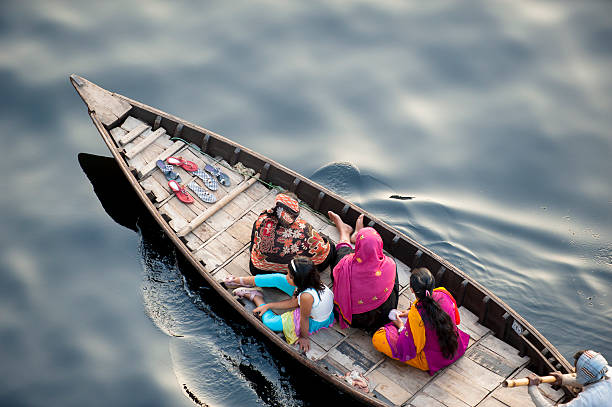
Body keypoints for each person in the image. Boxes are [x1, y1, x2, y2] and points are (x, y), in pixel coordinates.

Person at [371, 267, 469, 375]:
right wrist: (412, 313)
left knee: (378, 338)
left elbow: (412, 347)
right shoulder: (443, 293)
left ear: (412, 290)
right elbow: (456, 320)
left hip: (433, 359)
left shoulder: (416, 315)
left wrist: (401, 327)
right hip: (456, 346)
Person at [224, 257, 334, 352]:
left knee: (270, 323)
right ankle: (240, 281)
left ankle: (257, 298)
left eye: (290, 276)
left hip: (313, 319)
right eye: (288, 273)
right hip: (309, 304)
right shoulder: (309, 280)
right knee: (278, 278)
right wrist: (269, 305)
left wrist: (304, 337)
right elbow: (294, 302)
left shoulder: (306, 296)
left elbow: (304, 318)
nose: (287, 277)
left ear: (299, 281)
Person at [327, 211, 399, 332]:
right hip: (380, 319)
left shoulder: (346, 264)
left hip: (351, 318)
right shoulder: (389, 265)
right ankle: (356, 236)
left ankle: (345, 234)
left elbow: (334, 276)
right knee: (388, 263)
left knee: (342, 257)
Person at [249, 192, 333, 275]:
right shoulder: (305, 229)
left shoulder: (263, 219)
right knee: (330, 245)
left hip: (259, 270)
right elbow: (322, 250)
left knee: (256, 228)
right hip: (292, 274)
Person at [527, 350, 611, 406]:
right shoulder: (606, 370)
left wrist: (532, 388)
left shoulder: (588, 399)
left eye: (577, 373)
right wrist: (563, 379)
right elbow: (593, 379)